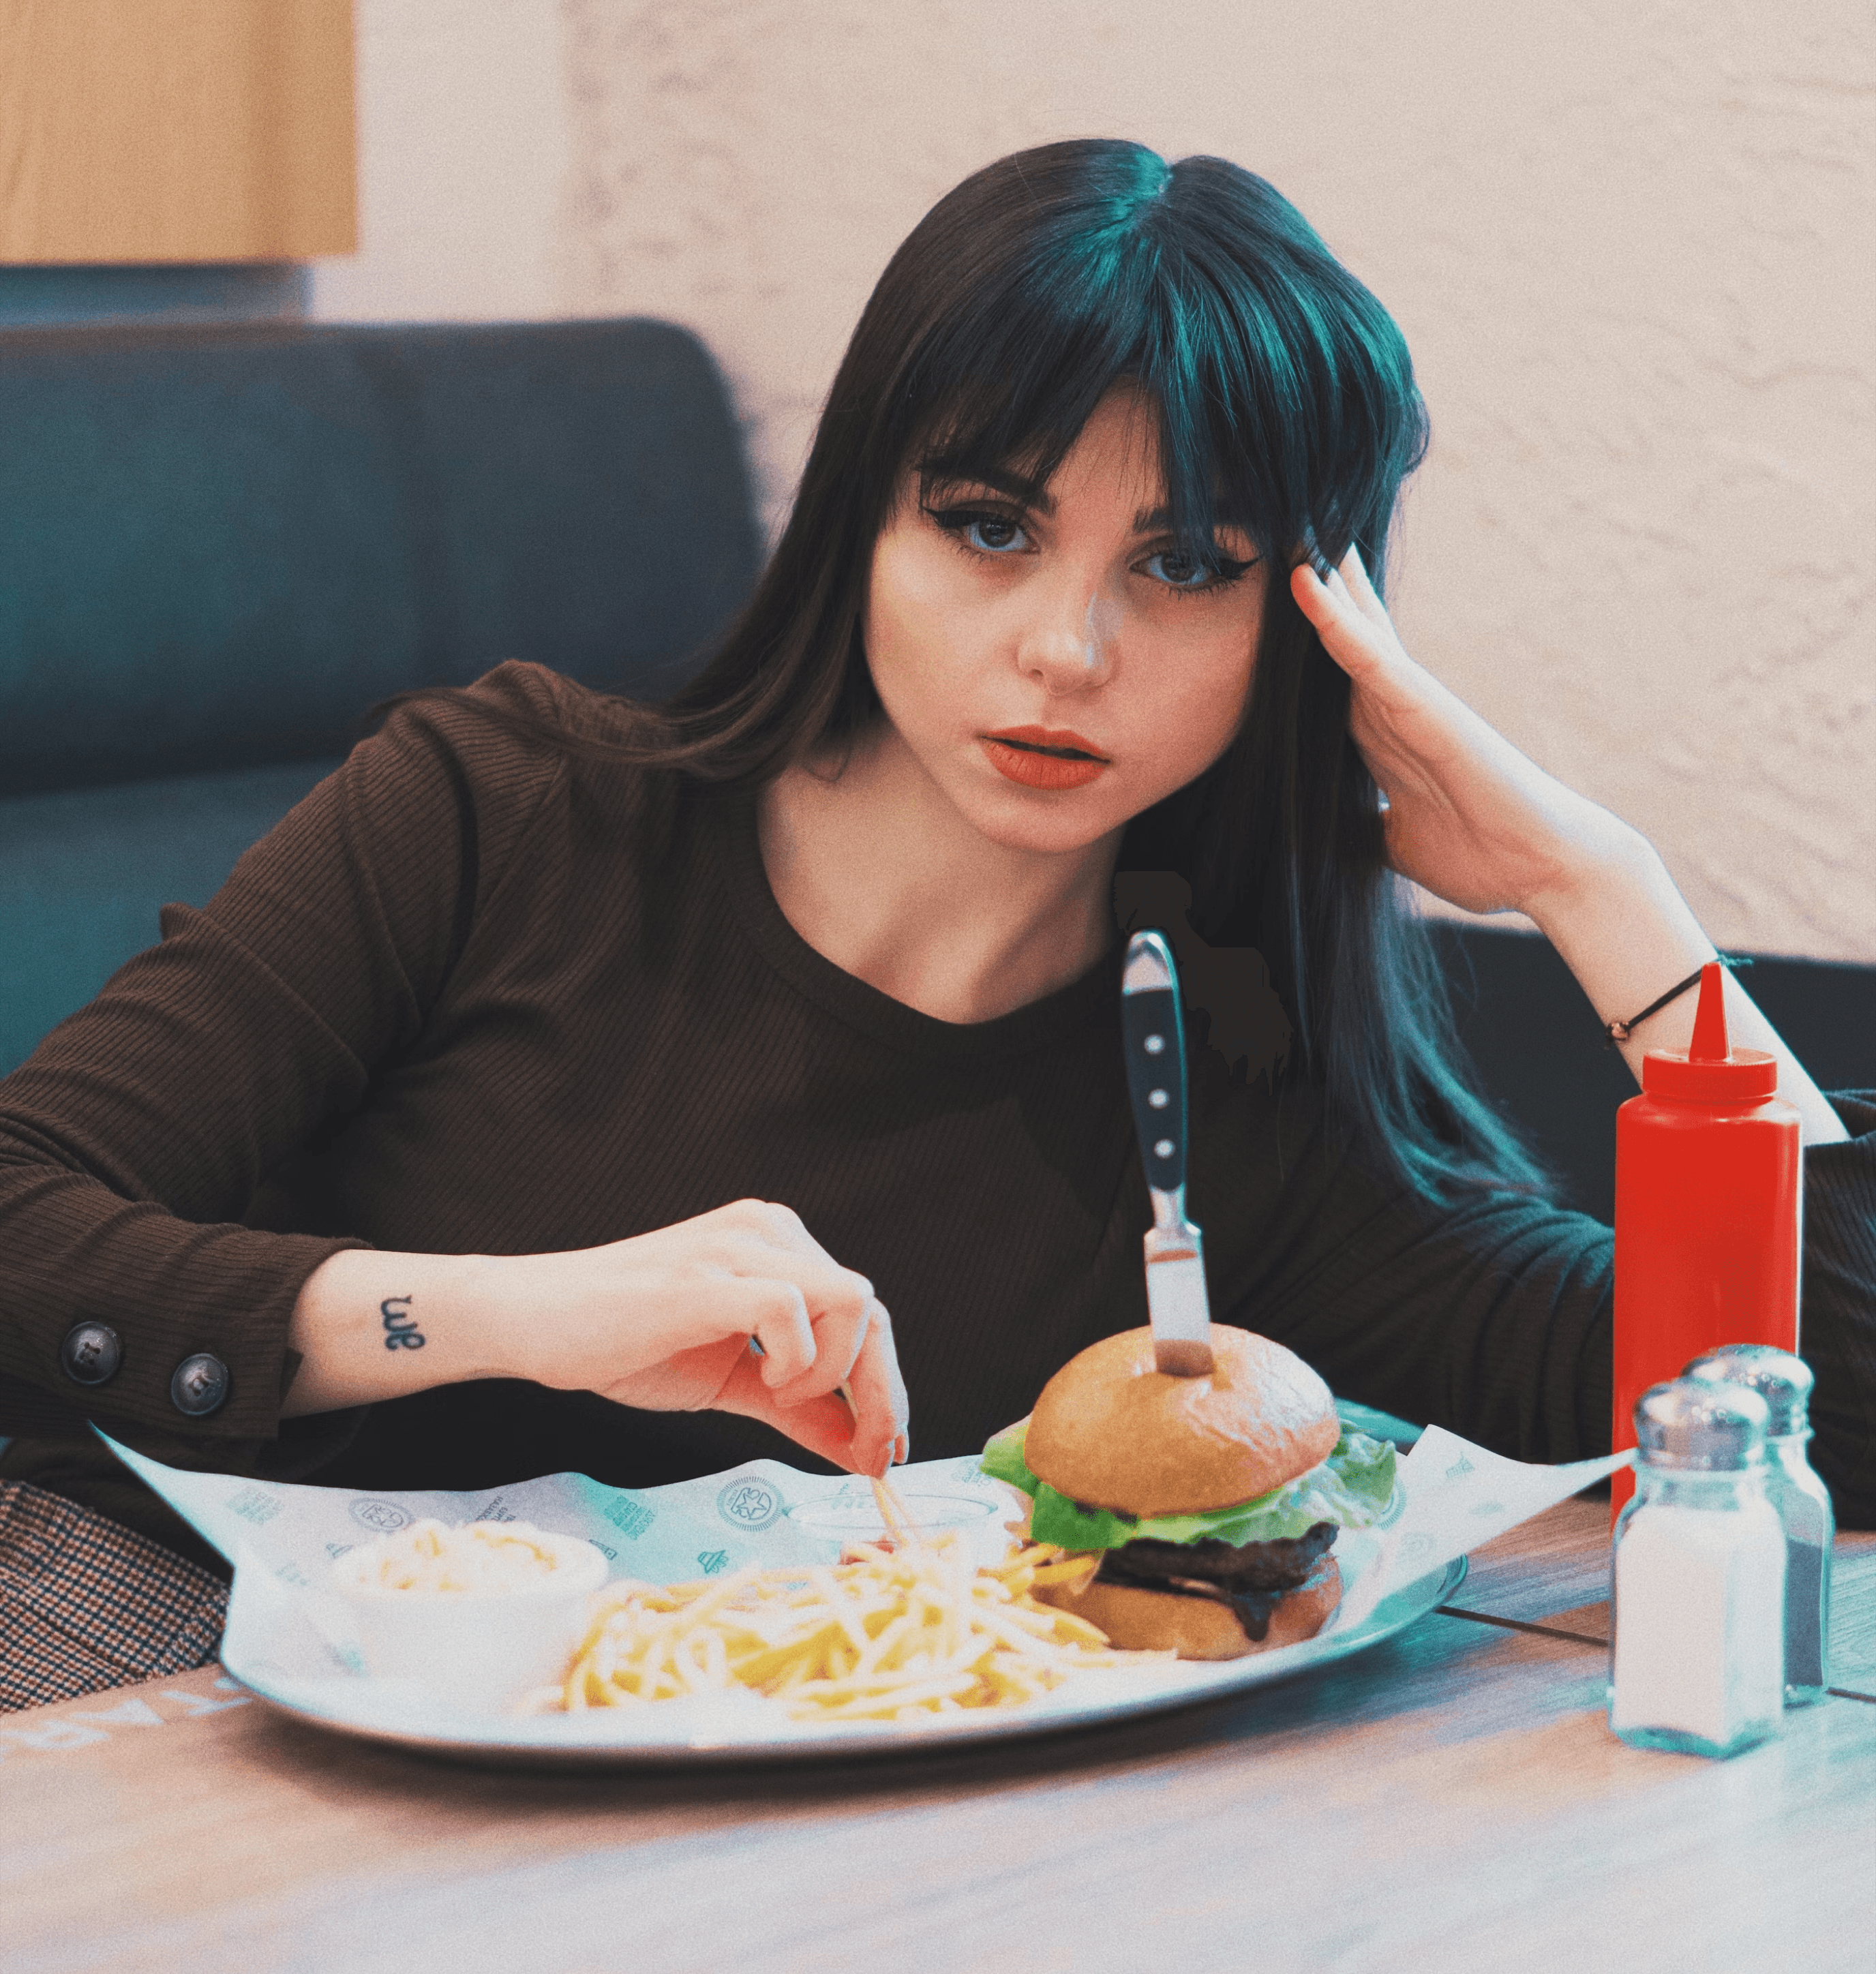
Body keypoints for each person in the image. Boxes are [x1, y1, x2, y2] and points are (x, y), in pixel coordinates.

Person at [2, 140, 1871, 1710]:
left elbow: (1824, 1407)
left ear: (1313, 620)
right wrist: (536, 1318)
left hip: (723, 1848)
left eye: (1185, 565)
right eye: (990, 524)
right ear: (863, 524)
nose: (1067, 648)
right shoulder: (509, 810)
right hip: (152, 1634)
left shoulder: (1241, 1087)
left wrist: (1599, 890)